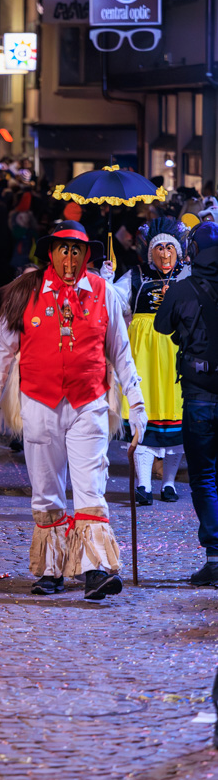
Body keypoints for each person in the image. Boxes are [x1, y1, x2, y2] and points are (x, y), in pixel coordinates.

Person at [0, 221, 147, 600]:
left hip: (89, 402)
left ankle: (96, 570)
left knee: (90, 485)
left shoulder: (103, 293)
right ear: (50, 253)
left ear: (86, 255)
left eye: (76, 250)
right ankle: (51, 570)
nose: (69, 258)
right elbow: (2, 351)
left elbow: (121, 350)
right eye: (62, 249)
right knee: (46, 489)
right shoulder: (24, 294)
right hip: (40, 401)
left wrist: (137, 401)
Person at [104, 217, 189, 504]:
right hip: (143, 355)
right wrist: (106, 281)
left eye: (170, 249)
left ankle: (168, 483)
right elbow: (114, 301)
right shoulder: (136, 276)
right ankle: (143, 484)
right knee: (143, 416)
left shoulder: (187, 277)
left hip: (176, 355)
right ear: (149, 252)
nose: (165, 254)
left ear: (179, 251)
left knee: (177, 420)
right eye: (159, 248)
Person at [155, 221, 218, 586]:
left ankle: (214, 557)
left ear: (191, 252)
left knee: (204, 478)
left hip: (198, 396)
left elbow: (163, 328)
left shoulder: (181, 289)